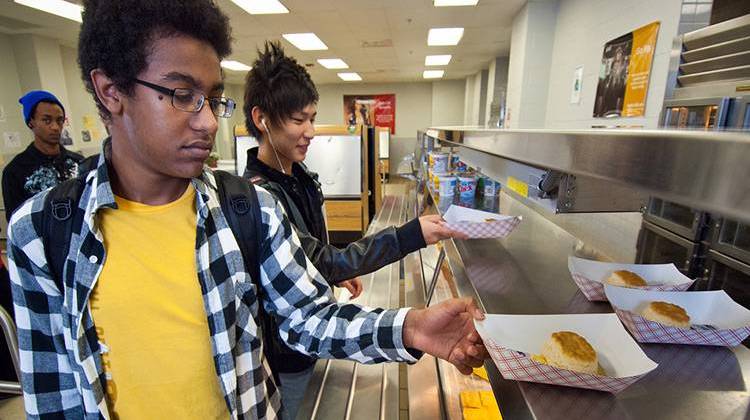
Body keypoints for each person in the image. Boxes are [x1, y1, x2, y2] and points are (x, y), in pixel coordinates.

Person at [7, 1, 487, 419]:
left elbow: (310, 318)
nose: (208, 121)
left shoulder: (246, 211)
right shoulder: (44, 232)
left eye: (213, 99)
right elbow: (55, 396)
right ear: (111, 91)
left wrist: (410, 327)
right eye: (182, 95)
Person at [242, 41, 468, 419]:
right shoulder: (259, 197)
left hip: (319, 327)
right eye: (299, 120)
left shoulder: (298, 177)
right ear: (262, 119)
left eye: (312, 117)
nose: (311, 131)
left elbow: (312, 254)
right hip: (289, 353)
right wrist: (407, 236)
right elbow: (319, 259)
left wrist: (332, 274)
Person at [2, 90, 84, 221]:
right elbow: (15, 222)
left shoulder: (79, 162)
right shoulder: (16, 171)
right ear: (31, 122)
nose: (55, 127)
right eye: (47, 120)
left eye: (60, 120)